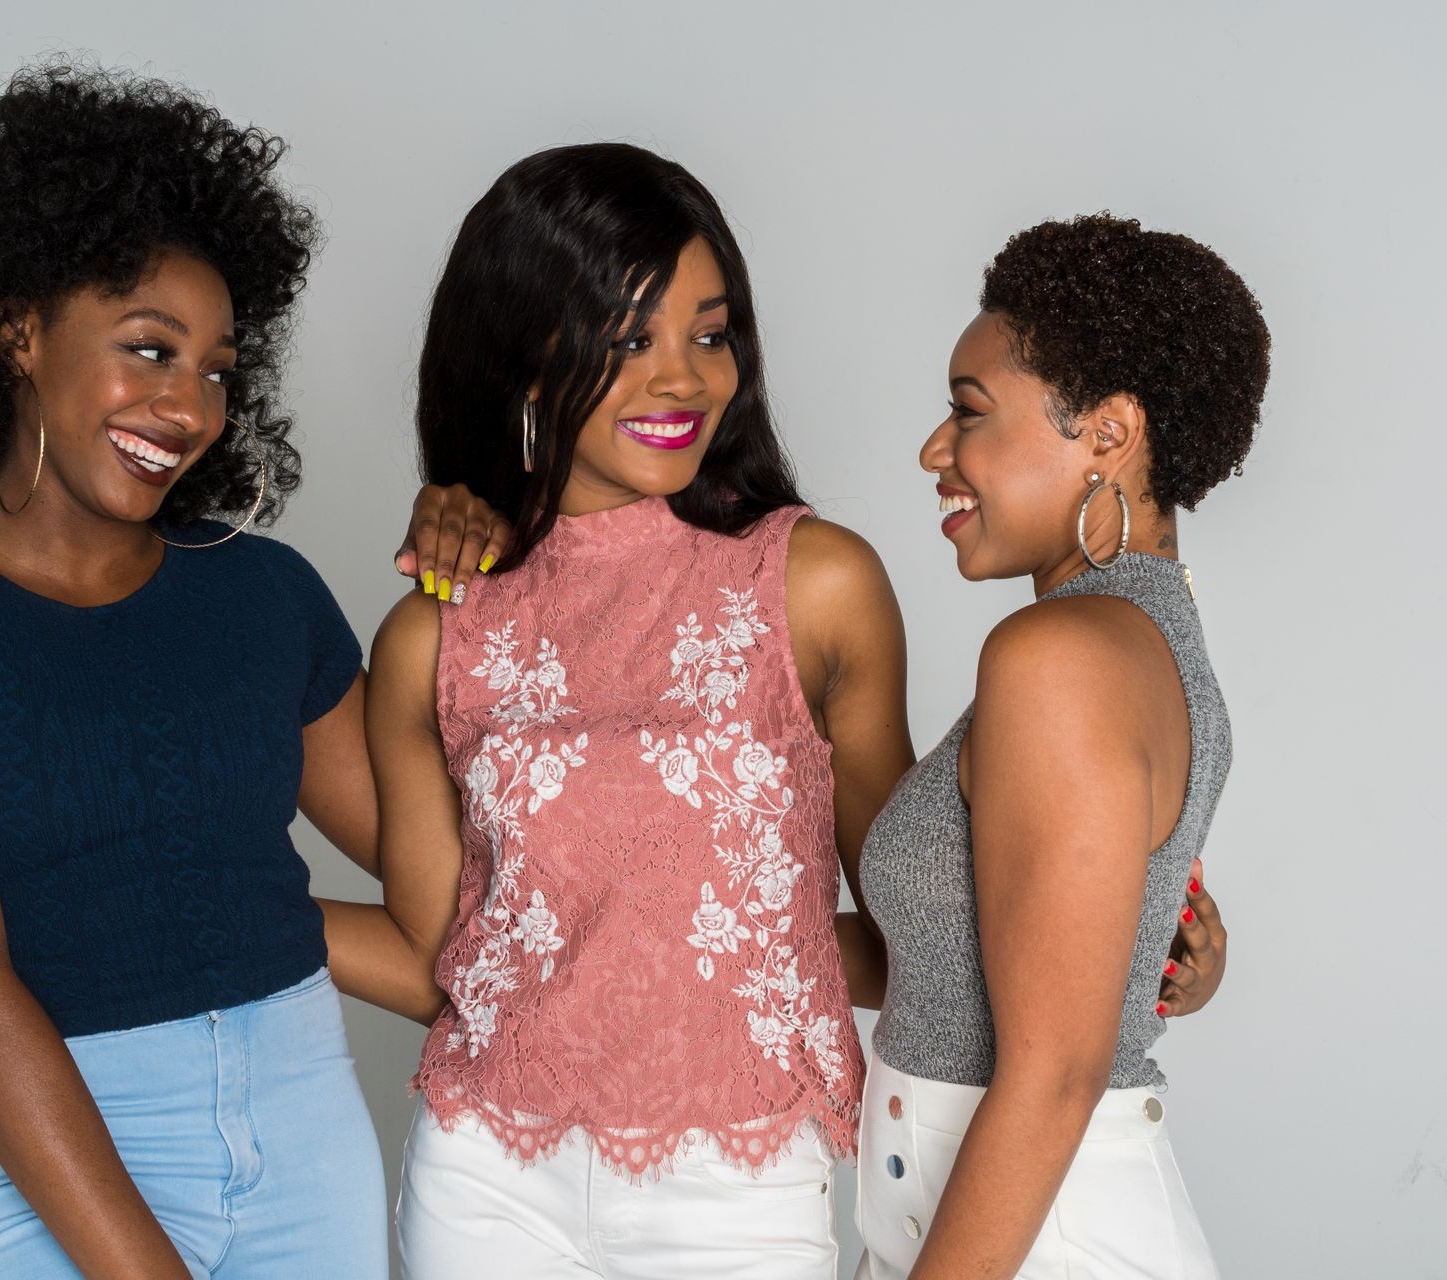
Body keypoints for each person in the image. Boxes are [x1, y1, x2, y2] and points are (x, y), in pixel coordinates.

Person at [318, 146, 1229, 1280]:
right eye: (628, 336)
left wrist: (1144, 927)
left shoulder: (817, 587)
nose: (685, 378)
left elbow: (924, 931)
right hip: (486, 1178)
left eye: (709, 334)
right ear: (524, 350)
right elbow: (438, 949)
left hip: (743, 1193)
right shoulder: (438, 630)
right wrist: (190, 912)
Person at [0, 62, 498, 1279]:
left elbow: (462, 884)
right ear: (19, 333)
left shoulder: (258, 594)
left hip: (299, 1121)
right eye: (149, 349)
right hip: (44, 1145)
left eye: (217, 368)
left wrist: (478, 578)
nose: (191, 406)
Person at [852, 214, 1265, 1279]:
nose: (935, 451)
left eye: (968, 412)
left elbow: (1056, 1069)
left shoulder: (1061, 657)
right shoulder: (1145, 633)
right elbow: (988, 969)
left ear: (1109, 433)